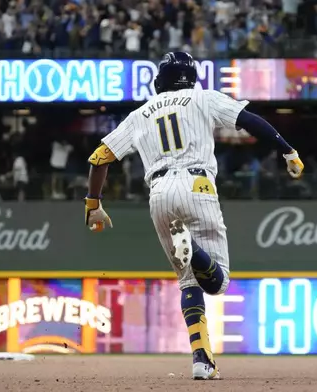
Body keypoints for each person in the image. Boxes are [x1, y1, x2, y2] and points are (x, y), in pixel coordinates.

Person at [83, 52, 304, 379]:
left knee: (188, 282)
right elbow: (248, 119)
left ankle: (202, 360)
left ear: (159, 82)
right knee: (218, 283)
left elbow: (99, 157)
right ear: (192, 78)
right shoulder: (203, 97)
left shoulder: (140, 113)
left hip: (158, 194)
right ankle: (194, 250)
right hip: (197, 183)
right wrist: (287, 149)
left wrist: (93, 204)